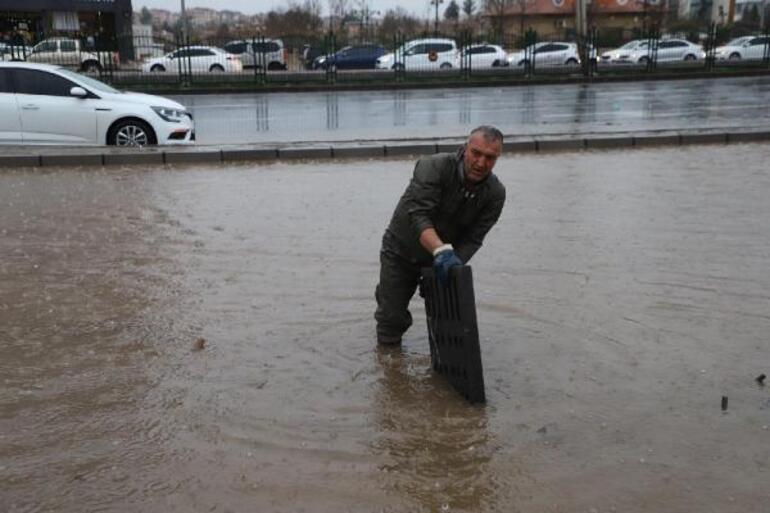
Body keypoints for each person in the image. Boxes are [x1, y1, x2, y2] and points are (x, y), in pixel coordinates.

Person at [375, 125, 506, 346]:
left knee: (449, 325)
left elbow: (474, 238)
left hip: (444, 260)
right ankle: (388, 352)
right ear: (465, 149)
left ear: (497, 158)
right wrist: (440, 251)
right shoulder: (433, 166)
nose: (481, 163)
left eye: (490, 158)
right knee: (391, 318)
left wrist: (454, 263)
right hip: (402, 250)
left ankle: (406, 376)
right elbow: (419, 216)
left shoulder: (495, 193)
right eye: (476, 153)